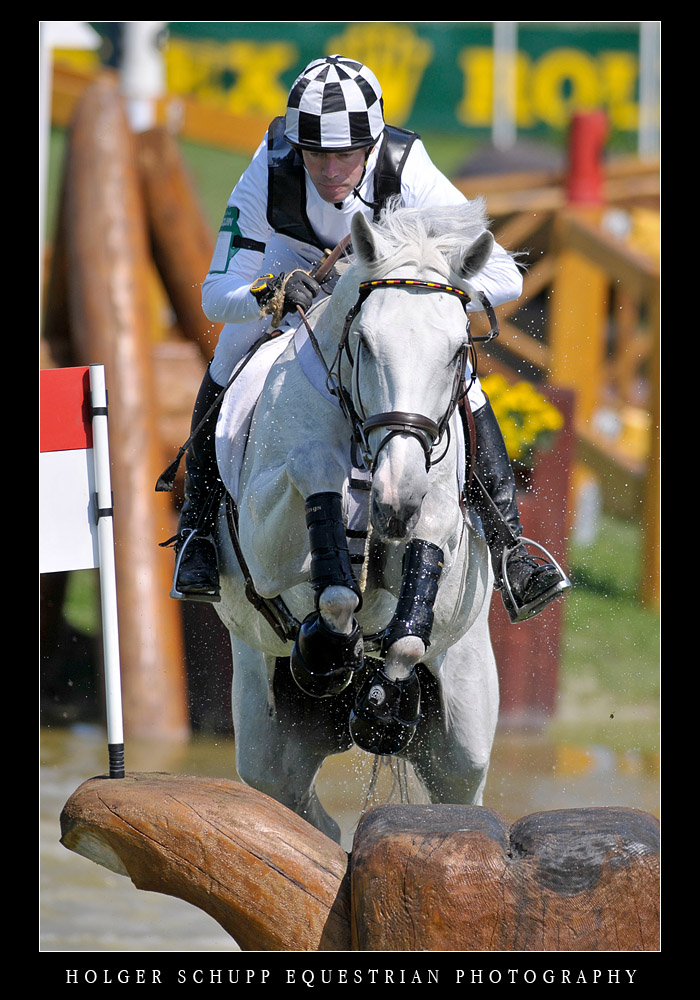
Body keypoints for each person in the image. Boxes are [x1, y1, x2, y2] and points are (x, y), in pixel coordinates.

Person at [169, 54, 570, 624]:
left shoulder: (409, 166)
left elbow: (506, 275)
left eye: (346, 154)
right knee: (233, 352)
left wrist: (425, 285)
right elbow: (215, 294)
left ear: (375, 142)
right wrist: (272, 291)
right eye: (316, 154)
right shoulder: (270, 166)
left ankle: (511, 547)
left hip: (385, 285)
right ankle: (201, 529)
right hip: (293, 271)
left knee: (461, 379)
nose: (330, 169)